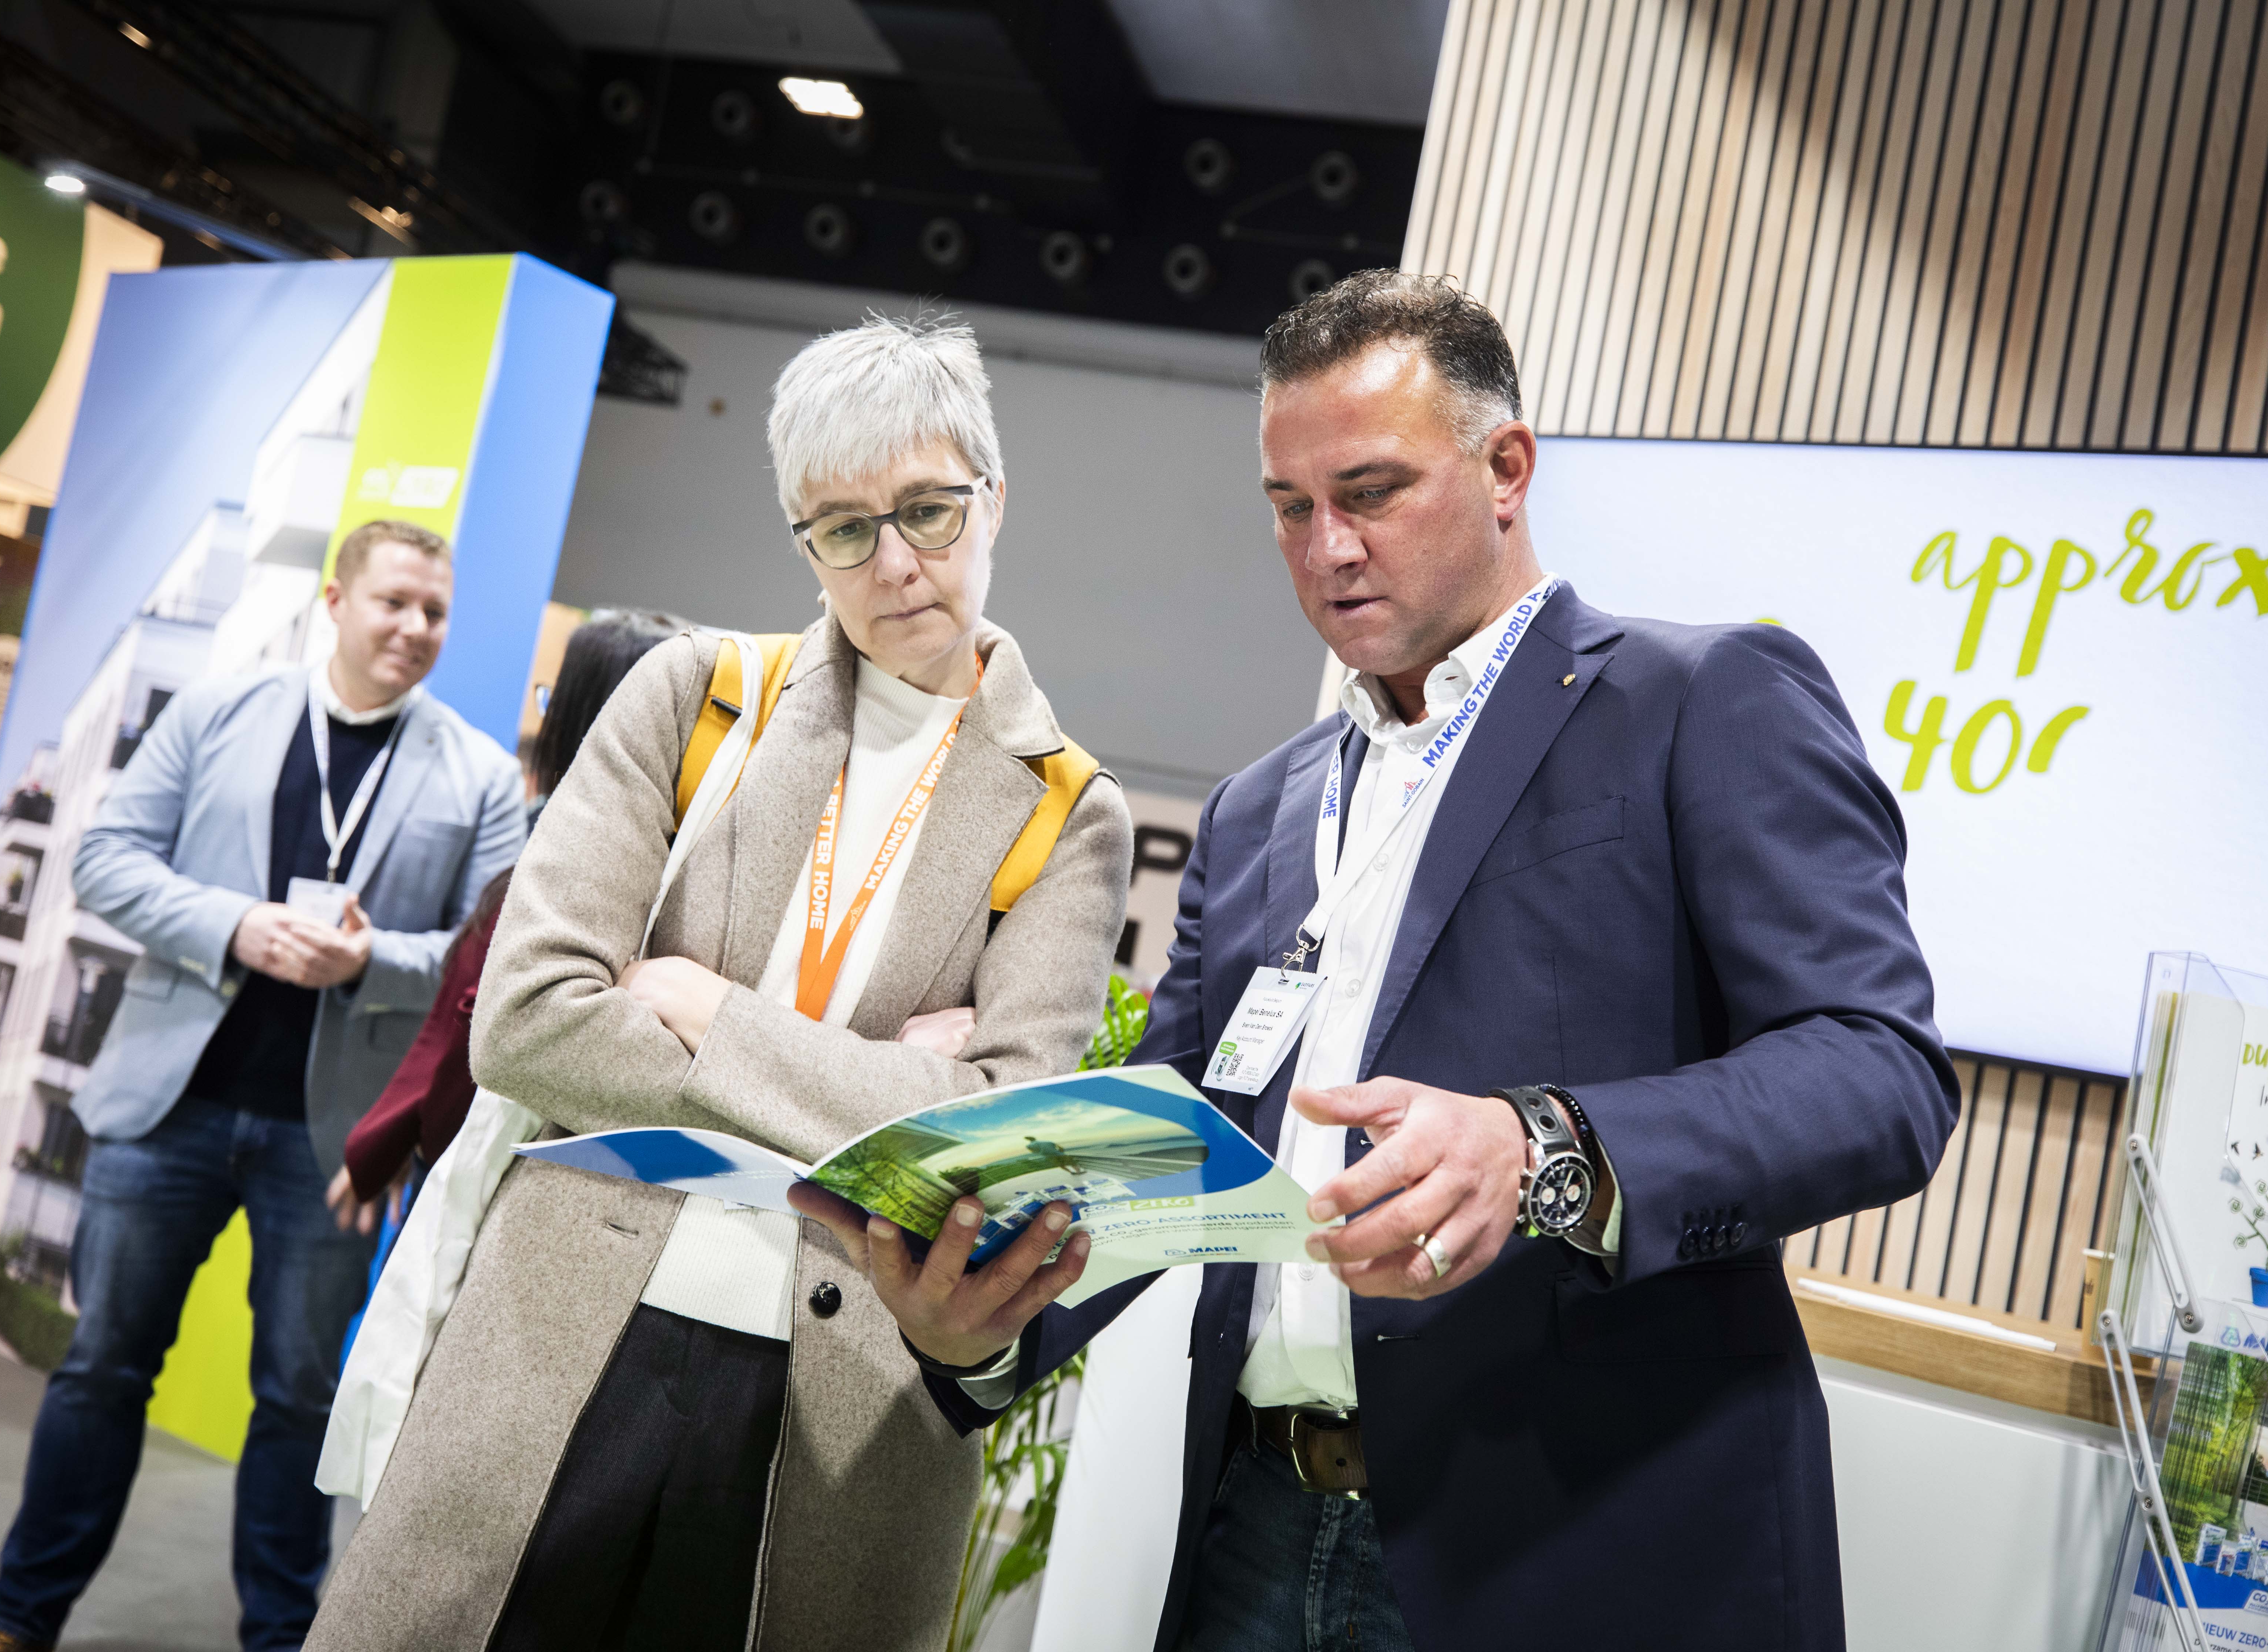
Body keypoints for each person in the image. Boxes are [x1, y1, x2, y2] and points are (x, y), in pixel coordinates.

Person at [800, 272, 1961, 1652]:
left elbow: (1879, 1073)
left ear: (1507, 469)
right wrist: (984, 1324)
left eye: (1372, 493)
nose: (1329, 548)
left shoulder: (1698, 701)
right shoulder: (1261, 808)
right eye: (1292, 507)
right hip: (1256, 1525)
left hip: (1574, 1532)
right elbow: (1169, 1147)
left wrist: (1546, 1149)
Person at [308, 315, 1133, 1652]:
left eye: (929, 511)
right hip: (563, 1334)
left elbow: (986, 1152)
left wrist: (703, 1010)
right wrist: (894, 1089)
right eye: (846, 529)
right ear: (805, 543)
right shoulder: (696, 698)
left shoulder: (1065, 810)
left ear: (995, 498)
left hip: (847, 1398)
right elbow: (527, 1023)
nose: (897, 564)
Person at [0, 519, 525, 1652]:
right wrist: (233, 927)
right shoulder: (219, 712)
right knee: (100, 1370)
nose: (416, 627)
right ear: (336, 602)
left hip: (333, 1145)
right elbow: (105, 859)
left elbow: (490, 960)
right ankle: (18, 1621)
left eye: (435, 611)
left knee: (300, 1400)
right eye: (395, 602)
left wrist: (372, 959)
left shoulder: (478, 775)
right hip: (165, 1109)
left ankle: (279, 1640)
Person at [328, 608, 689, 1223]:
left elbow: (465, 1034)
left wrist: (385, 1146)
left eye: (554, 700)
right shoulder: (683, 871)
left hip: (492, 1170)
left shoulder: (555, 869)